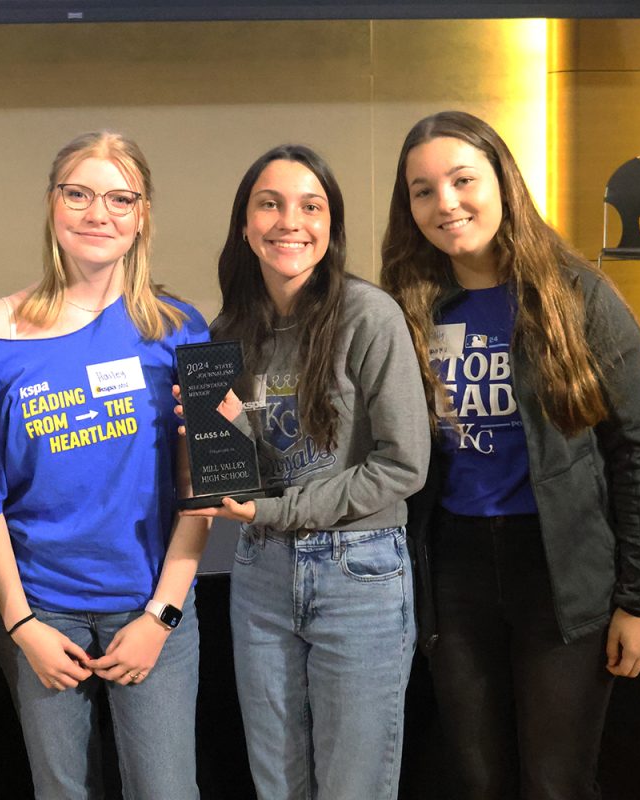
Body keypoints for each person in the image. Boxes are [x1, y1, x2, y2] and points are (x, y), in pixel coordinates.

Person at [380, 110, 640, 799]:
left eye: (461, 180)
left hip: (561, 573)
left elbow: (637, 456)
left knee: (555, 783)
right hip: (455, 574)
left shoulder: (580, 300)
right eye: (423, 190)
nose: (445, 203)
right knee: (478, 780)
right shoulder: (405, 309)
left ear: (503, 182)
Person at [0, 131, 210, 800]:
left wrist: (161, 616)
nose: (98, 213)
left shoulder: (181, 329)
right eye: (79, 194)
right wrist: (21, 626)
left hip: (151, 608)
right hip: (42, 615)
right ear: (53, 204)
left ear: (141, 215)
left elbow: (203, 493)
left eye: (119, 198)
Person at [184, 144, 430, 800]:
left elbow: (402, 466)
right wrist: (206, 441)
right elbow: (248, 476)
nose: (289, 221)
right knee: (279, 787)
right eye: (270, 203)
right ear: (245, 225)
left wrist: (269, 511)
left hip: (360, 572)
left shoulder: (368, 316)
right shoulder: (226, 332)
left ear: (331, 227)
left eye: (310, 206)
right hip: (261, 575)